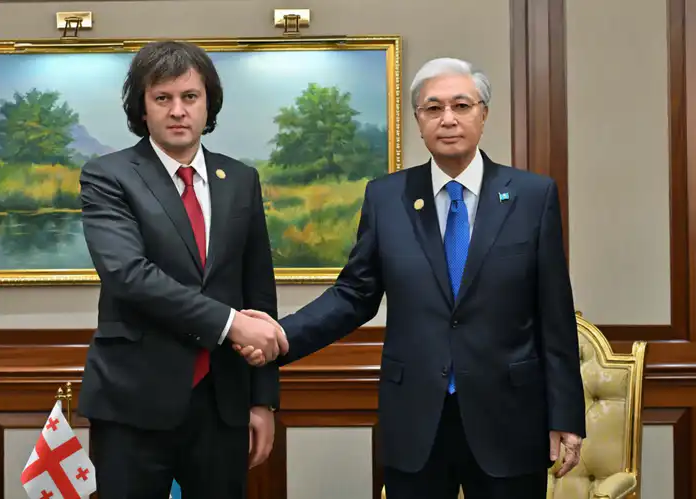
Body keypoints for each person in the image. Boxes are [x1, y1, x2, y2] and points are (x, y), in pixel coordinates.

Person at [238, 57, 586, 499]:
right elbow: (354, 295)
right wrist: (280, 337)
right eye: (433, 108)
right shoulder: (387, 198)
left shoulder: (532, 196)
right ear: (418, 121)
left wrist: (566, 415)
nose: (448, 119)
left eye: (461, 105)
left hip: (510, 418)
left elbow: (554, 313)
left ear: (483, 114)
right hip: (417, 420)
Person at [77, 40, 287, 499]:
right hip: (134, 402)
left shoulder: (241, 180)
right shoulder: (108, 175)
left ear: (208, 103)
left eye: (190, 96)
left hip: (223, 403)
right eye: (162, 98)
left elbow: (259, 293)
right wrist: (230, 324)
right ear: (143, 107)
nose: (177, 110)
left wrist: (262, 400)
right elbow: (128, 275)